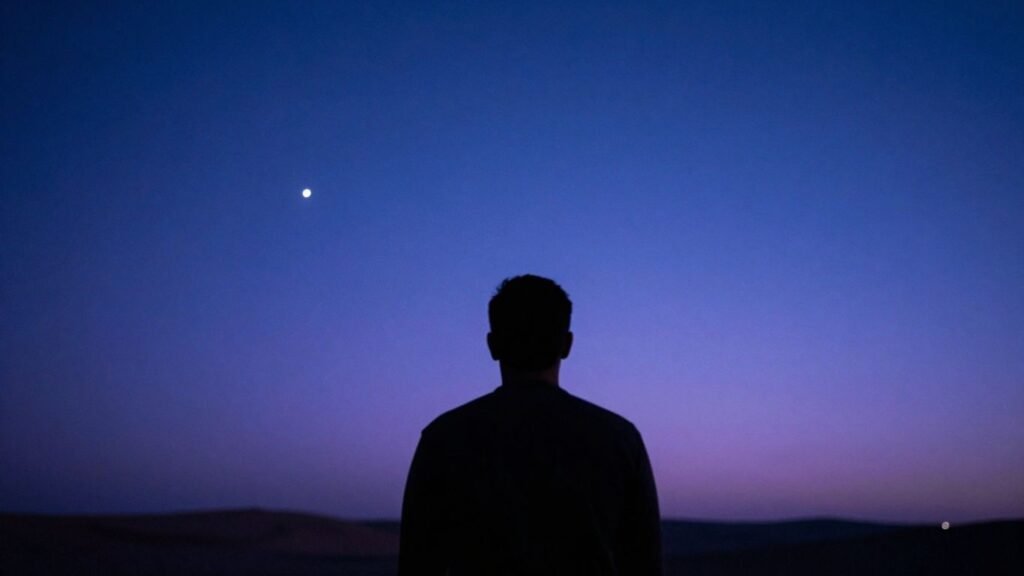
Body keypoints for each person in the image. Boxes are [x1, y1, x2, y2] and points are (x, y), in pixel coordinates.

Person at [399, 274, 662, 576]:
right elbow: (645, 563)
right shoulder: (620, 439)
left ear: (493, 345)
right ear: (566, 344)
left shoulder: (443, 439)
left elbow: (416, 563)